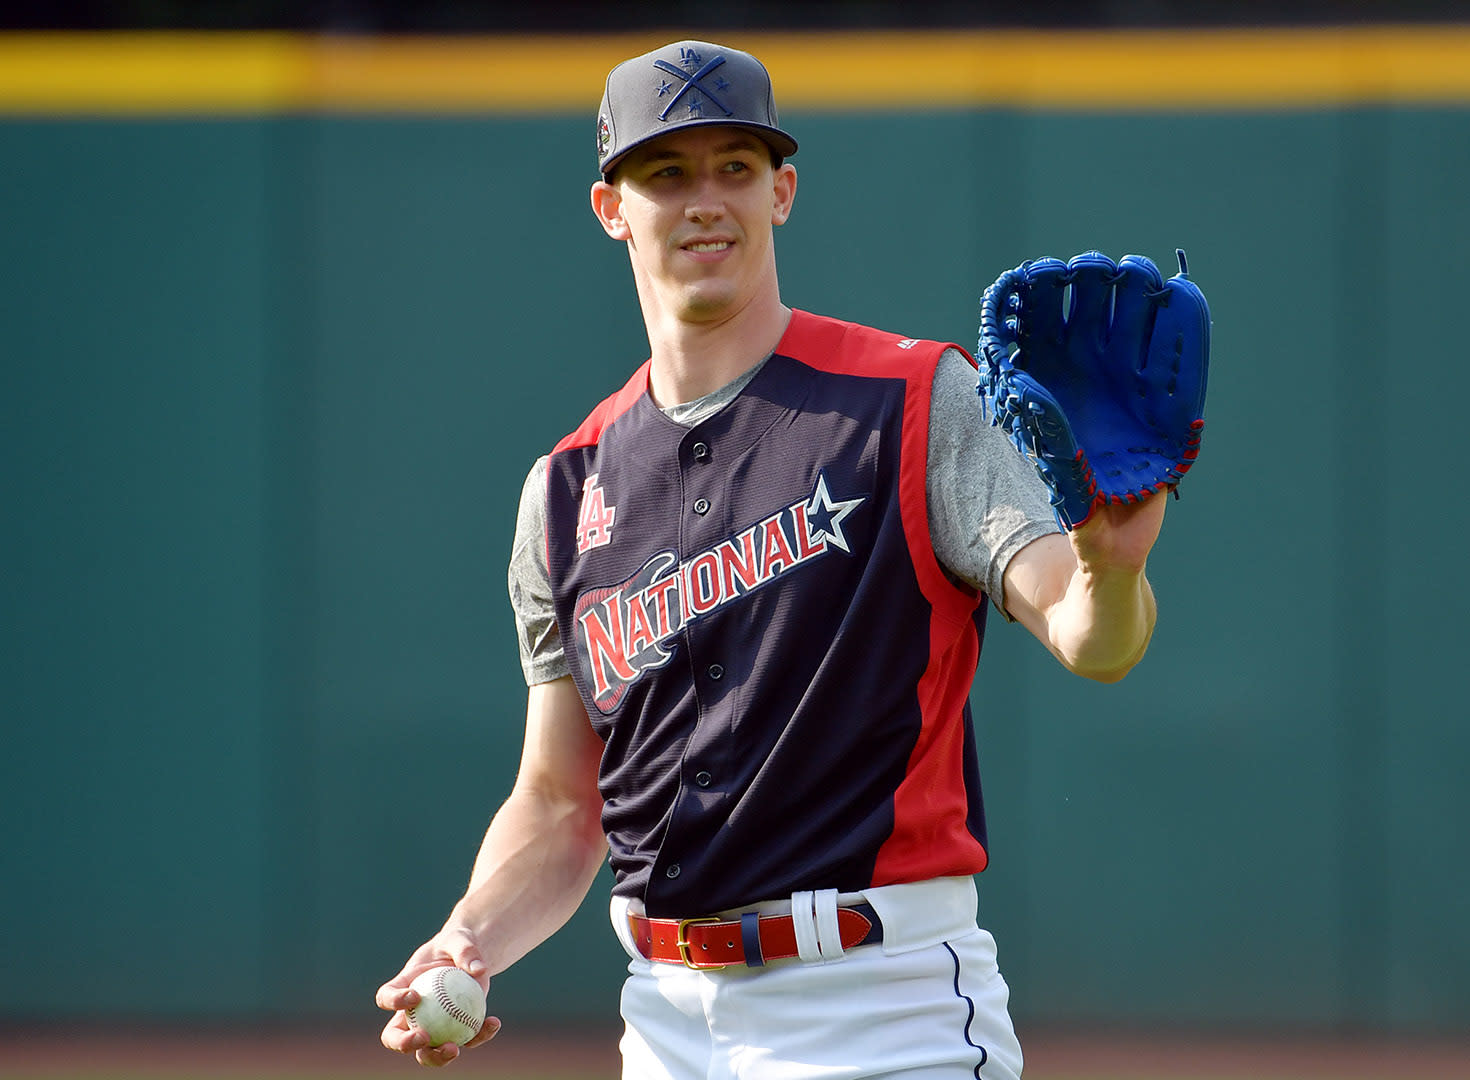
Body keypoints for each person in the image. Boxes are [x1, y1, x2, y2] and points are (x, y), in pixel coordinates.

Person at [375, 39, 1172, 1079]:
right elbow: (562, 803)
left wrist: (1108, 568)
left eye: (735, 168)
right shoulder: (563, 493)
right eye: (668, 173)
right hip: (663, 1021)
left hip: (883, 1010)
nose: (706, 199)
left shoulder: (915, 400)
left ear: (782, 191)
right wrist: (469, 937)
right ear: (612, 208)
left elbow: (1090, 638)